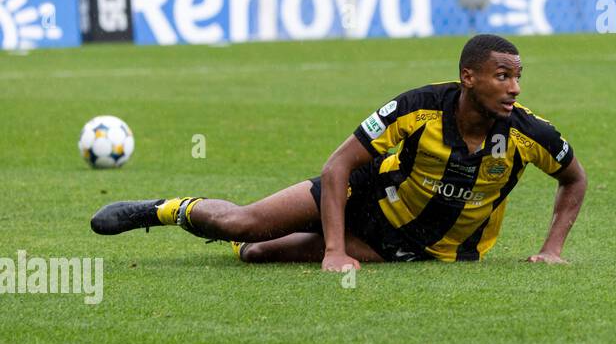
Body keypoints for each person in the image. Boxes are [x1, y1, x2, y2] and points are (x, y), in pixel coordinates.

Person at [91, 34, 588, 269]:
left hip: (410, 248)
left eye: (518, 76)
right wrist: (333, 251)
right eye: (503, 75)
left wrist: (552, 249)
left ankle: (300, 239)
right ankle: (167, 209)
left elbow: (574, 178)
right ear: (469, 77)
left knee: (258, 254)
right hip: (361, 196)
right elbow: (338, 166)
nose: (515, 87)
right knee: (239, 226)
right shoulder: (418, 108)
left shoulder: (529, 135)